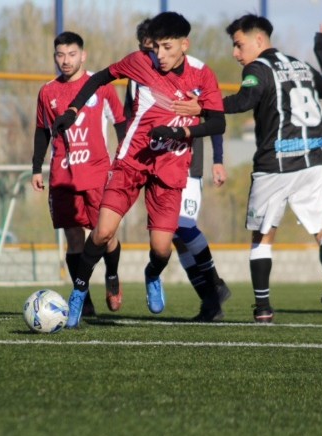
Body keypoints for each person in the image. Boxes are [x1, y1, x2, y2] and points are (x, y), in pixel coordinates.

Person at [51, 12, 226, 328]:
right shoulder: (141, 61)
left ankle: (152, 274)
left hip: (171, 167)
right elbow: (99, 77)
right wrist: (73, 111)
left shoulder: (202, 75)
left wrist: (176, 134)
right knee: (103, 232)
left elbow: (218, 122)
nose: (159, 55)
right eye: (155, 47)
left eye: (167, 48)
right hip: (132, 161)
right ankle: (78, 291)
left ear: (184, 45)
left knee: (161, 248)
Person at [176, 16, 322, 325]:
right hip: (316, 161)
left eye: (238, 45)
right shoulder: (302, 66)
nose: (235, 53)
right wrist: (321, 53)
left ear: (259, 41)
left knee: (263, 236)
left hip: (276, 164)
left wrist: (202, 105)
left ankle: (263, 307)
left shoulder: (257, 69)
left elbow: (245, 99)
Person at [129, 18, 231, 322]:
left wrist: (218, 158)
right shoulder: (139, 74)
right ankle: (210, 300)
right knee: (174, 234)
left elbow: (213, 114)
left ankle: (214, 285)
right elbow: (129, 117)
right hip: (152, 162)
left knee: (183, 225)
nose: (156, 55)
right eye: (149, 48)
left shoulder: (196, 70)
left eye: (161, 47)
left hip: (186, 159)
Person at [31, 31, 127, 319]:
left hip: (98, 173)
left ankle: (112, 274)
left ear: (83, 55)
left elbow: (121, 123)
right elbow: (42, 131)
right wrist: (36, 167)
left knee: (105, 235)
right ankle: (82, 298)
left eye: (71, 54)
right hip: (63, 174)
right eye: (60, 55)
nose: (65, 60)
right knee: (74, 238)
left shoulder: (100, 87)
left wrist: (124, 159)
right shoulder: (48, 91)